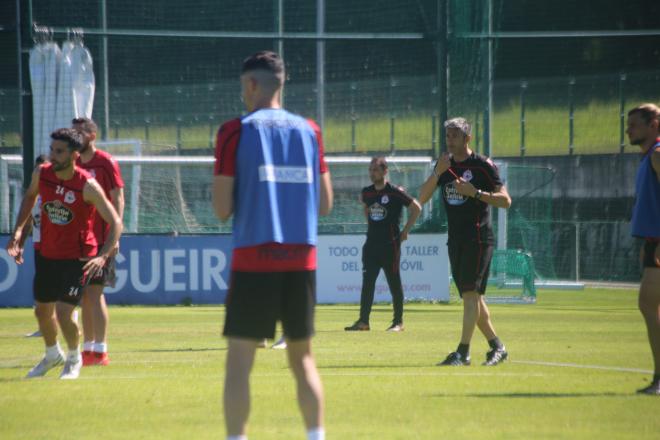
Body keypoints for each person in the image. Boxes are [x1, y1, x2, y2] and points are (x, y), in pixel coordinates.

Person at [212, 51, 333, 440]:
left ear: (251, 84)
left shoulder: (234, 131)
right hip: (301, 261)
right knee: (303, 361)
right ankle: (316, 435)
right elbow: (326, 204)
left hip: (254, 260)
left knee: (239, 365)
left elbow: (221, 209)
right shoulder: (310, 130)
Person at [6, 128, 122, 380]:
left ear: (74, 155)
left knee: (63, 312)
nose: (52, 156)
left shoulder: (87, 186)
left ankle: (73, 358)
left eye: (58, 152)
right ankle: (52, 355)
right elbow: (28, 198)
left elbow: (115, 222)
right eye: (52, 150)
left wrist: (103, 256)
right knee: (41, 312)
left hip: (78, 258)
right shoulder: (42, 173)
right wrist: (17, 233)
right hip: (47, 254)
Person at [418, 117, 511, 367]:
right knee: (474, 298)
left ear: (467, 138)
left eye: (455, 135)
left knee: (471, 294)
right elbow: (422, 197)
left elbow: (506, 201)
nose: (450, 140)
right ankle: (497, 346)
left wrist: (477, 193)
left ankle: (463, 352)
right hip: (455, 239)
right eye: (447, 135)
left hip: (479, 238)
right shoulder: (444, 165)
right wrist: (437, 172)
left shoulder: (482, 166)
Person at [345, 157, 421, 332]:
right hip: (371, 245)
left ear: (385, 171)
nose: (372, 174)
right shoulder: (367, 192)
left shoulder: (394, 192)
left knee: (394, 282)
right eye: (370, 170)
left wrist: (405, 231)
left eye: (376, 170)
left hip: (390, 245)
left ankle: (398, 322)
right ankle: (363, 322)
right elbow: (366, 209)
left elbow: (416, 207)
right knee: (367, 283)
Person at [73, 117, 125, 367]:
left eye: (80, 132)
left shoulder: (105, 162)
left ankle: (100, 350)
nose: (75, 136)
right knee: (85, 295)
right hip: (80, 240)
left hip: (102, 239)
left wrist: (115, 235)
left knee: (95, 292)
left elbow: (118, 198)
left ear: (91, 136)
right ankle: (88, 349)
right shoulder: (71, 162)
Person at [627, 103, 660, 395]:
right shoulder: (647, 157)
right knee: (649, 306)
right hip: (652, 243)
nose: (628, 130)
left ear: (654, 125)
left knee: (649, 305)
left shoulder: (658, 155)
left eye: (634, 124)